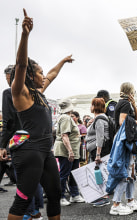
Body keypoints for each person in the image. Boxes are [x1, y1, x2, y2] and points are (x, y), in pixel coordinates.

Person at [1, 9, 62, 219]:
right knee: (23, 200)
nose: (43, 75)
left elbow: (52, 75)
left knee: (55, 194)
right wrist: (26, 34)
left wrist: (62, 61)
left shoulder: (39, 93)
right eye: (40, 72)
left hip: (46, 149)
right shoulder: (21, 93)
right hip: (29, 150)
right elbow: (21, 64)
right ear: (29, 75)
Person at [107, 82, 137, 215]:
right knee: (126, 172)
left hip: (126, 140)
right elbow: (122, 121)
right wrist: (135, 122)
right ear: (131, 92)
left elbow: (136, 118)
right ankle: (116, 204)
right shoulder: (125, 103)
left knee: (130, 173)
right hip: (125, 141)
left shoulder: (124, 103)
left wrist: (134, 106)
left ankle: (130, 200)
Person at [53, 98, 85, 206]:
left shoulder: (65, 117)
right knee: (64, 173)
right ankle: (60, 196)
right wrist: (70, 151)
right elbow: (64, 135)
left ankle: (74, 195)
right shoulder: (66, 118)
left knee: (73, 173)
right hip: (66, 150)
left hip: (71, 149)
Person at [85, 97, 112, 207]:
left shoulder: (100, 119)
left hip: (98, 150)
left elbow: (100, 137)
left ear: (95, 107)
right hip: (95, 150)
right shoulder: (98, 119)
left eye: (91, 105)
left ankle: (103, 197)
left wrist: (98, 154)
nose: (90, 107)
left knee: (99, 174)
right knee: (98, 173)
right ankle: (100, 196)